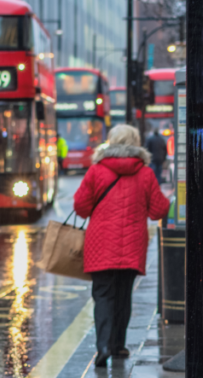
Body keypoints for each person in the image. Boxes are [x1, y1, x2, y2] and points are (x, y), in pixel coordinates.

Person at [73, 124, 170, 367]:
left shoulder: (96, 171)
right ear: (136, 143)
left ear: (110, 142)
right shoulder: (146, 173)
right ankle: (118, 345)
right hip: (132, 246)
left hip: (100, 245)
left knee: (103, 295)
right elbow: (159, 209)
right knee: (123, 296)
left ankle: (103, 346)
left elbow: (81, 208)